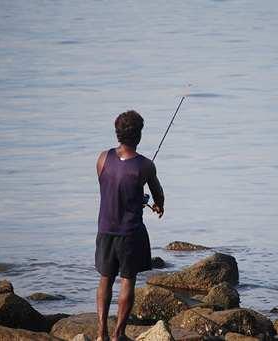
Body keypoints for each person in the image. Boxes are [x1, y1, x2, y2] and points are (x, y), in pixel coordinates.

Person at [95, 110, 165, 341]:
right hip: (130, 233)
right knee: (128, 280)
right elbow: (158, 194)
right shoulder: (145, 166)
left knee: (105, 278)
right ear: (139, 136)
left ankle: (101, 333)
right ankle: (118, 334)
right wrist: (157, 205)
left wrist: (138, 197)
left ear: (118, 133)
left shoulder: (102, 159)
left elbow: (114, 188)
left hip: (105, 229)